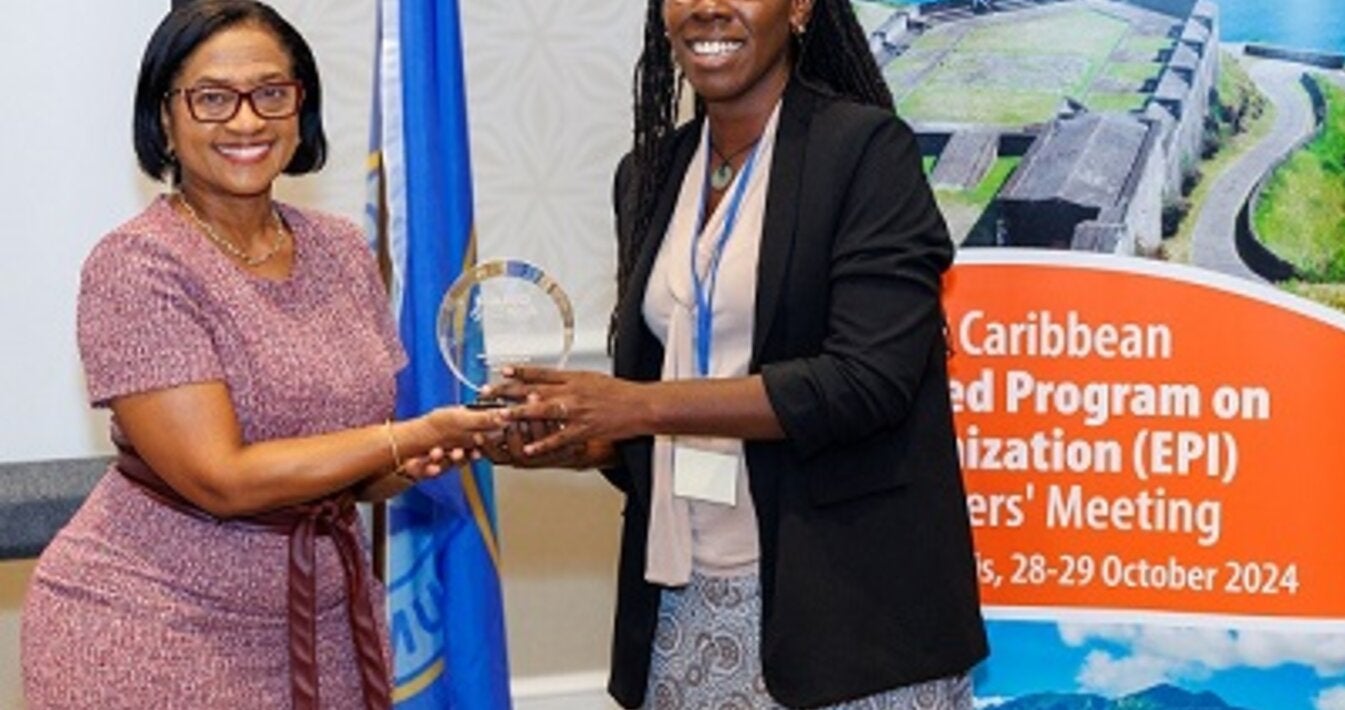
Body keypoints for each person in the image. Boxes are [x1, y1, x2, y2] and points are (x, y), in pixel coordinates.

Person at [486, 0, 988, 706]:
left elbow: (867, 382)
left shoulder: (867, 152)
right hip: (683, 602)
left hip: (848, 620)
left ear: (801, 8)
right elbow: (666, 412)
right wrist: (580, 440)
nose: (707, 8)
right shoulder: (649, 174)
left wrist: (632, 406)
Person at [21, 2, 502, 708]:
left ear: (300, 107)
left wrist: (418, 458)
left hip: (326, 628)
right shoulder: (138, 265)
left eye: (272, 93)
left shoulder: (339, 248)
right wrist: (401, 437)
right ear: (165, 116)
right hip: (151, 629)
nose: (246, 121)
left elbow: (355, 470)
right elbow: (221, 478)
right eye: (213, 98)